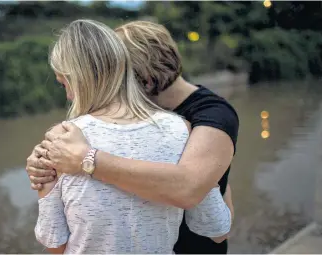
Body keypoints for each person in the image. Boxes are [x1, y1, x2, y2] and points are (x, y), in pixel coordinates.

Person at [28, 21, 239, 254]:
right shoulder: (180, 130)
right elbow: (217, 226)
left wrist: (86, 159)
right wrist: (41, 165)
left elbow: (55, 244)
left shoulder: (211, 116)